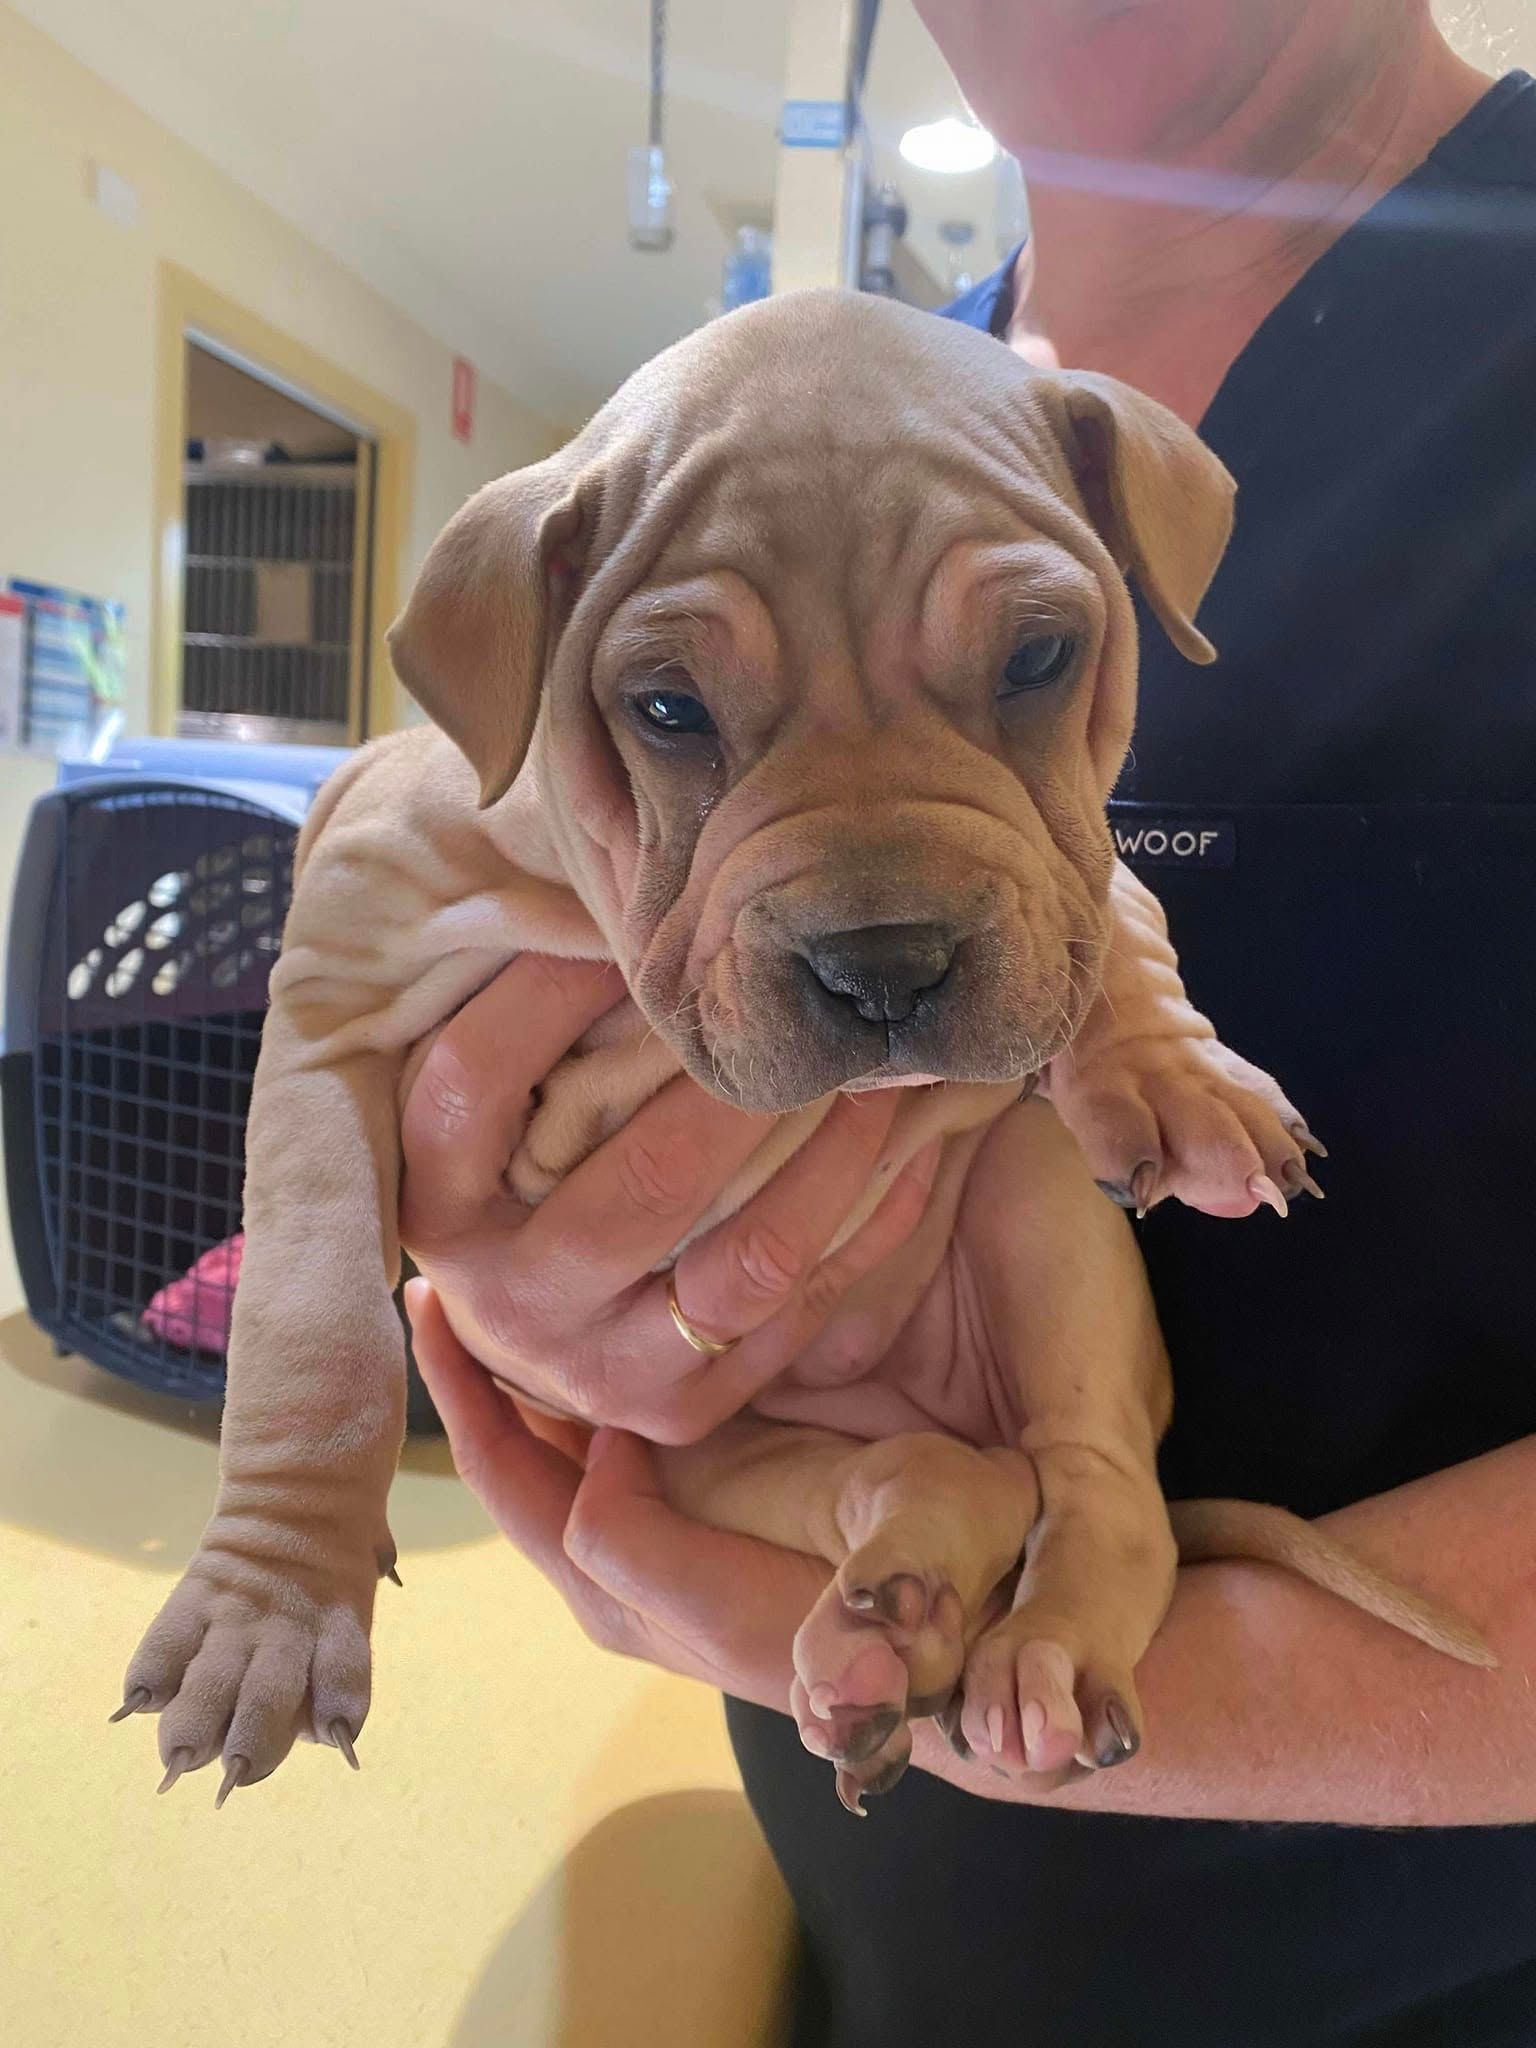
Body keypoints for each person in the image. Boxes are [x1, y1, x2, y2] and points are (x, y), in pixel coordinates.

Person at [400, 2, 1536, 2039]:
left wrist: (1055, 1674)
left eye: (1028, 663)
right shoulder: (830, 425)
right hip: (866, 1942)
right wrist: (548, 1287)